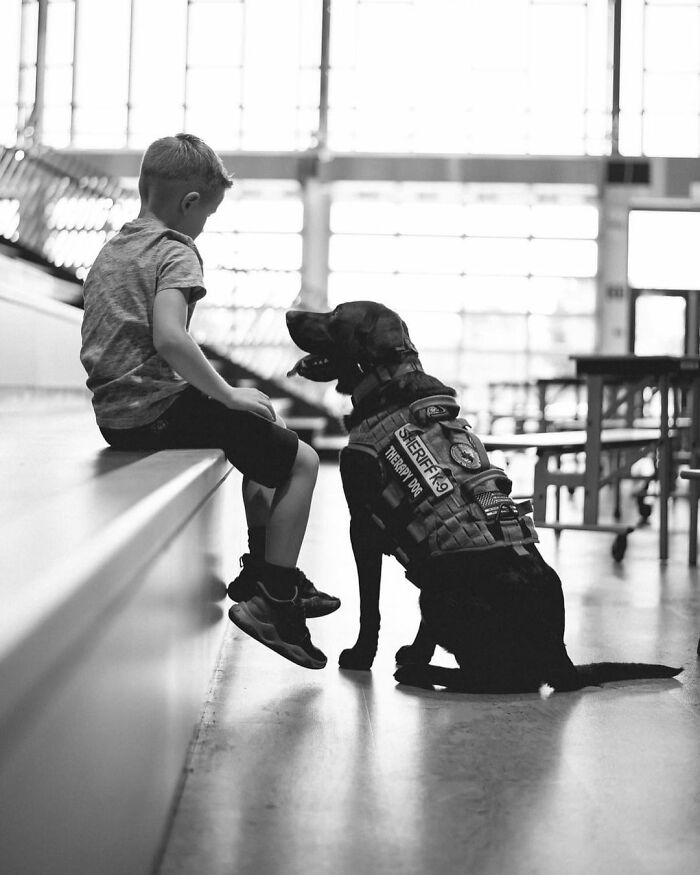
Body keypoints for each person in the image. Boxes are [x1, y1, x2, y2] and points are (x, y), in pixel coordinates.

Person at [80, 133, 339, 670]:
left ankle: (261, 570)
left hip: (116, 416)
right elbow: (170, 338)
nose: (204, 225)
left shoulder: (113, 250)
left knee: (260, 428)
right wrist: (224, 393)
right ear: (189, 203)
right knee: (304, 462)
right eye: (208, 214)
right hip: (155, 411)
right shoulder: (176, 249)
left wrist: (230, 402)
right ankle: (277, 600)